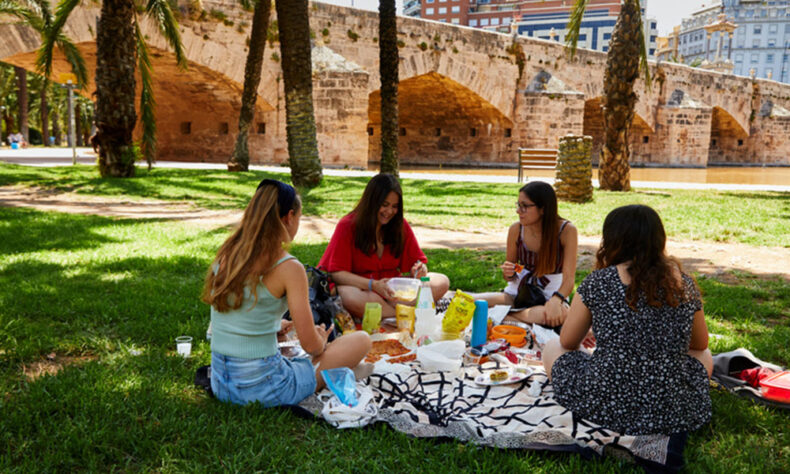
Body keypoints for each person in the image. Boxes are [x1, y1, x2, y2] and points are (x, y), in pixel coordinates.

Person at [543, 204, 713, 436]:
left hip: (606, 404)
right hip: (673, 410)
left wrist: (598, 331)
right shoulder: (683, 283)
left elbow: (568, 341)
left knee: (552, 346)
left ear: (612, 241)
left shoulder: (598, 282)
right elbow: (700, 345)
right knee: (705, 355)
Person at [202, 179, 371, 407]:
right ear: (289, 217)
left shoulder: (227, 254)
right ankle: (331, 373)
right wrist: (321, 341)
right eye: (299, 219)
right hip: (265, 388)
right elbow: (311, 347)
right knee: (361, 341)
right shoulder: (288, 267)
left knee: (305, 354)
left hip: (222, 383)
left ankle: (332, 370)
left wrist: (273, 328)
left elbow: (236, 316)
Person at [318, 173, 450, 320]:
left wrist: (419, 269)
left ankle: (393, 312)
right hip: (365, 292)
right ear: (372, 202)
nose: (389, 212)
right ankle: (402, 314)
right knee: (347, 295)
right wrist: (372, 285)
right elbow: (337, 274)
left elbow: (417, 263)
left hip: (393, 294)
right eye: (384, 205)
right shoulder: (348, 226)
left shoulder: (399, 225)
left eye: (394, 207)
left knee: (441, 281)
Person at [473, 181, 578, 327]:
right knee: (474, 300)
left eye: (525, 206)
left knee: (550, 315)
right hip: (519, 292)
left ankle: (502, 315)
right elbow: (512, 272)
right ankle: (507, 316)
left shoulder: (566, 231)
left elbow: (569, 279)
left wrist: (556, 299)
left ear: (543, 208)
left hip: (551, 294)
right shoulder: (516, 229)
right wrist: (510, 272)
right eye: (518, 205)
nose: (518, 211)